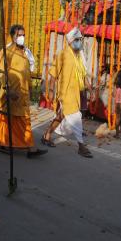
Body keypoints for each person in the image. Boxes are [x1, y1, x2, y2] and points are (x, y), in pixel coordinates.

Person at [0, 25, 47, 158]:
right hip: (11, 93)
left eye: (23, 35)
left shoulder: (25, 52)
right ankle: (29, 148)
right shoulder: (6, 51)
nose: (21, 38)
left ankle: (13, 143)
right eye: (19, 35)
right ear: (12, 36)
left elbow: (27, 71)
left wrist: (29, 87)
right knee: (9, 119)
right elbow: (2, 72)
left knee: (22, 120)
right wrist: (8, 90)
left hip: (23, 94)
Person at [42, 27, 93, 158]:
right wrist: (52, 90)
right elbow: (53, 74)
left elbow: (83, 76)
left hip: (76, 93)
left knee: (61, 116)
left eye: (80, 40)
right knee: (76, 118)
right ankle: (81, 146)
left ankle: (46, 135)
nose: (79, 42)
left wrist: (90, 89)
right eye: (77, 40)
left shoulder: (79, 56)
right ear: (70, 41)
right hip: (65, 93)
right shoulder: (63, 54)